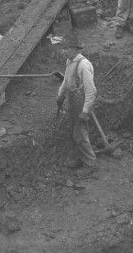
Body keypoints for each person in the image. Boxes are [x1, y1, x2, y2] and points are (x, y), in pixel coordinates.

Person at [55, 35, 98, 172]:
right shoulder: (70, 61)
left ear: (75, 49)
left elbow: (91, 91)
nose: (64, 50)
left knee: (80, 134)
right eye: (64, 48)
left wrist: (85, 111)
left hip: (81, 102)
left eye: (67, 48)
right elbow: (66, 81)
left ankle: (91, 164)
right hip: (73, 100)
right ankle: (80, 158)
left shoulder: (83, 65)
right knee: (75, 132)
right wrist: (60, 95)